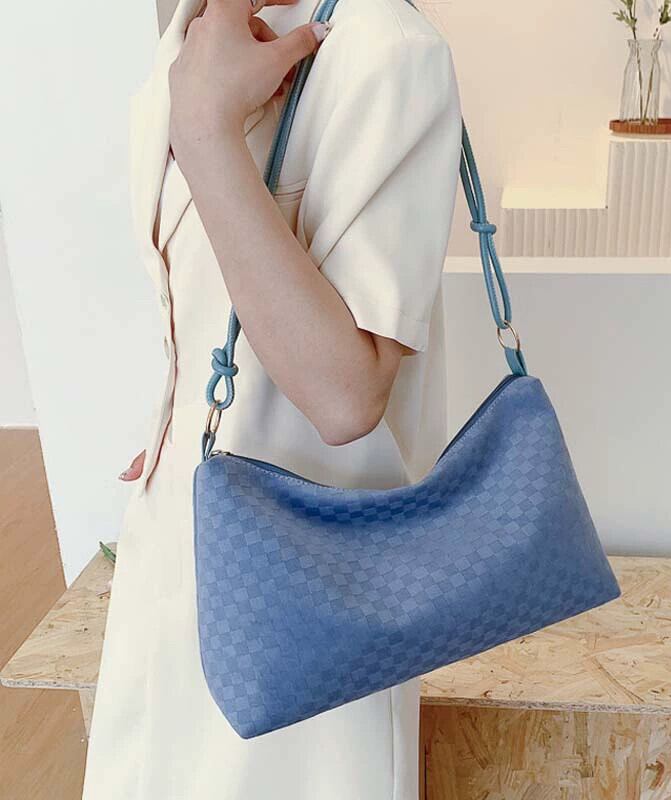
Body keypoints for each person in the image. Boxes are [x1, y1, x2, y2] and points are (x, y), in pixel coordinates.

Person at [81, 0, 462, 797]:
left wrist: (210, 135)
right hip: (177, 549)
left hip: (305, 590)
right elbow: (204, 286)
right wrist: (179, 416)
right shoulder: (197, 33)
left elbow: (347, 396)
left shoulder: (387, 50)